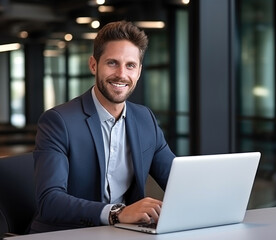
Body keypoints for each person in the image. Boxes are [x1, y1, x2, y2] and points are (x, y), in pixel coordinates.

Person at [30, 20, 175, 233]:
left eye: (130, 65)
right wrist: (117, 213)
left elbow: (177, 180)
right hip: (66, 234)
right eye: (112, 63)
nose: (121, 74)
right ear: (93, 65)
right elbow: (50, 201)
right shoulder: (58, 121)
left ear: (139, 71)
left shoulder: (145, 119)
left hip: (124, 234)